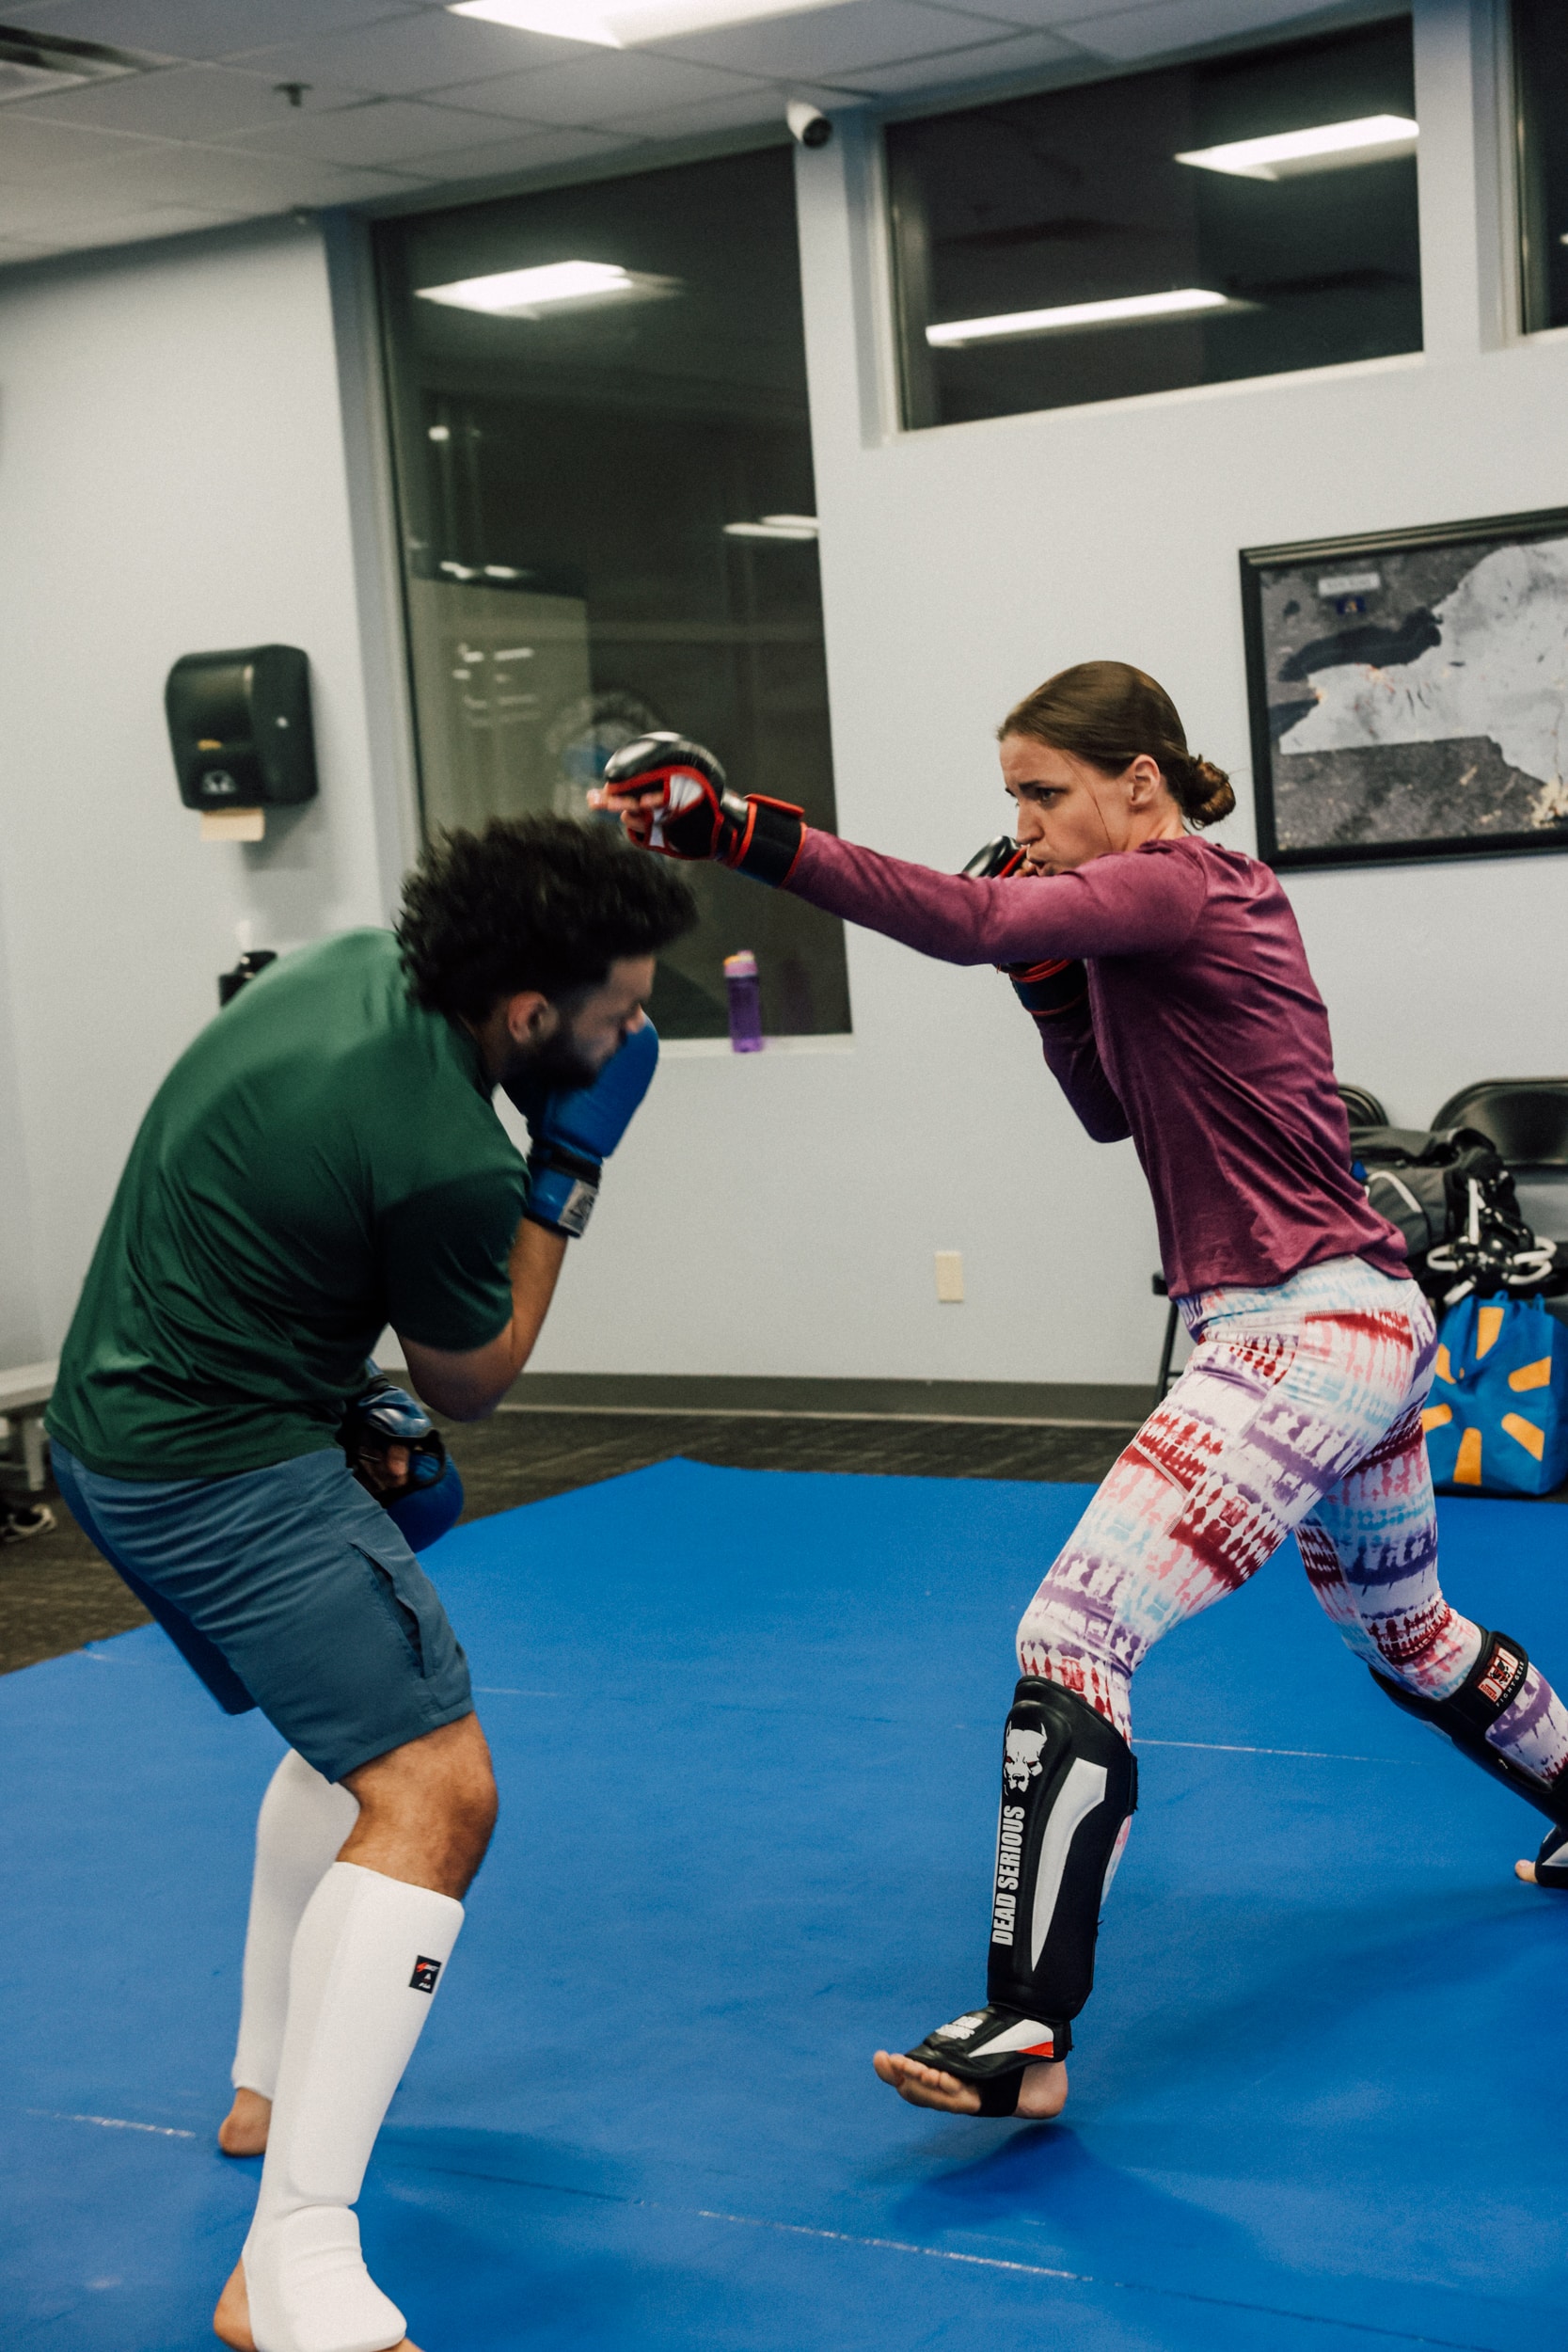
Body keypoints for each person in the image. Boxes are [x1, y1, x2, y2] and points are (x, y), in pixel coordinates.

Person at [593, 662, 1568, 2125]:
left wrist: (740, 831)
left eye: (1046, 794)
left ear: (1142, 783)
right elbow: (1109, 1104)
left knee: (1075, 1626)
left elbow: (973, 915)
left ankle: (1024, 2031)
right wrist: (1050, 992)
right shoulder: (1137, 932)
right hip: (1351, 1324)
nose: (1027, 828)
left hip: (1305, 1332)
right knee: (1409, 1634)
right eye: (1013, 802)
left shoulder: (1185, 884)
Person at [45, 815, 695, 2352]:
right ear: (529, 1018)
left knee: (353, 1723)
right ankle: (294, 2264)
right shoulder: (456, 1149)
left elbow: (279, 1207)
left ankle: (268, 2081)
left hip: (123, 1415)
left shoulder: (339, 966)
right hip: (212, 1464)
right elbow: (476, 1378)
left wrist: (339, 1396)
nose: (635, 1033)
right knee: (435, 1791)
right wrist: (572, 1170)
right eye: (615, 1013)